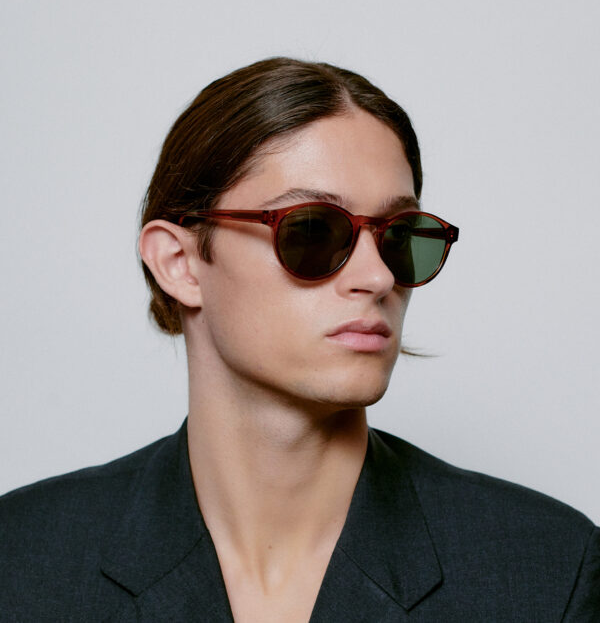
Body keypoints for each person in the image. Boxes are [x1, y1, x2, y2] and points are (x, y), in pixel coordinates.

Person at [0, 57, 598, 622]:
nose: (377, 277)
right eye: (312, 230)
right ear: (179, 263)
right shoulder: (21, 559)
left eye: (399, 235)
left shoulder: (548, 572)